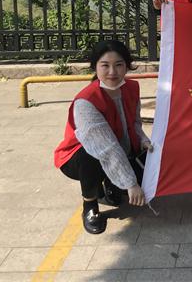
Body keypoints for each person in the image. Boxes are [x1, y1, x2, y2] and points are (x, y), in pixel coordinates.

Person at [54, 40, 153, 234]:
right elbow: (106, 148)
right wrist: (130, 183)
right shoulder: (86, 101)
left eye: (119, 65)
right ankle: (90, 205)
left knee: (150, 181)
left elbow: (135, 122)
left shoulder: (132, 88)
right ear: (95, 67)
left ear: (127, 66)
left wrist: (143, 140)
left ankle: (110, 184)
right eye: (105, 65)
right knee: (90, 156)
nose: (112, 72)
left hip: (119, 149)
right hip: (80, 157)